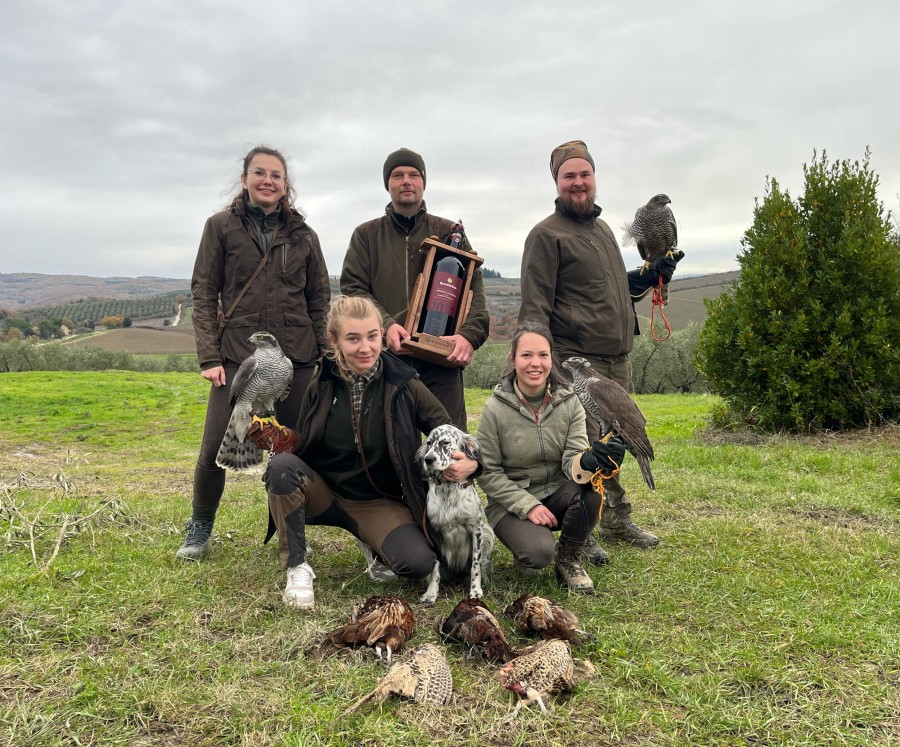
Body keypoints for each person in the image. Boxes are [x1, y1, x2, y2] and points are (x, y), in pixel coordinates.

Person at [249, 295, 480, 609]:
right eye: (353, 338)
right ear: (335, 341)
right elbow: (303, 445)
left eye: (372, 336)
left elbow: (446, 429)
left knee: (418, 564)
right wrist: (282, 440)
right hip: (326, 494)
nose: (365, 347)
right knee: (282, 467)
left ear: (382, 336)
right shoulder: (321, 384)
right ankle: (297, 568)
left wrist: (468, 462)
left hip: (379, 502)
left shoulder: (405, 384)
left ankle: (371, 542)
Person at [518, 139, 683, 562]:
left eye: (584, 174)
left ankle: (614, 517)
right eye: (569, 176)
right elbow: (535, 305)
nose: (578, 182)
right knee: (582, 445)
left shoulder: (604, 230)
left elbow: (612, 292)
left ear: (594, 178)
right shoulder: (546, 235)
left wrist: (651, 276)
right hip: (577, 358)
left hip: (616, 356)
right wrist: (539, 361)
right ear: (557, 182)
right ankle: (582, 526)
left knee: (616, 441)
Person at [176, 145, 330, 561]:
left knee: (291, 449)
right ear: (244, 179)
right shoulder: (220, 227)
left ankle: (290, 532)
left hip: (296, 359)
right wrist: (209, 356)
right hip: (237, 358)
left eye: (276, 175)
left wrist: (327, 355)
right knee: (213, 450)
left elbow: (319, 300)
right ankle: (199, 529)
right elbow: (204, 293)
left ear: (286, 185)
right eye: (259, 173)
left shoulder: (304, 236)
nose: (268, 180)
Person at [341, 147, 490, 430]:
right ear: (388, 184)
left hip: (441, 364)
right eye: (397, 175)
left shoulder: (449, 231)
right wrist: (385, 327)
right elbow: (354, 289)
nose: (406, 181)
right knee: (391, 452)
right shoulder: (366, 235)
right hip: (387, 363)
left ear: (423, 182)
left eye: (413, 174)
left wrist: (469, 337)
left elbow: (474, 292)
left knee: (451, 449)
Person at [476, 322, 627, 593]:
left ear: (551, 359)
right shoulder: (494, 409)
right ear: (513, 360)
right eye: (526, 355)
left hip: (556, 493)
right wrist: (527, 505)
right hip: (510, 503)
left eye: (543, 355)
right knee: (537, 555)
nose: (535, 363)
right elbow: (488, 473)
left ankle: (569, 558)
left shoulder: (569, 402)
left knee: (591, 488)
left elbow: (573, 459)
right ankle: (533, 544)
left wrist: (590, 462)